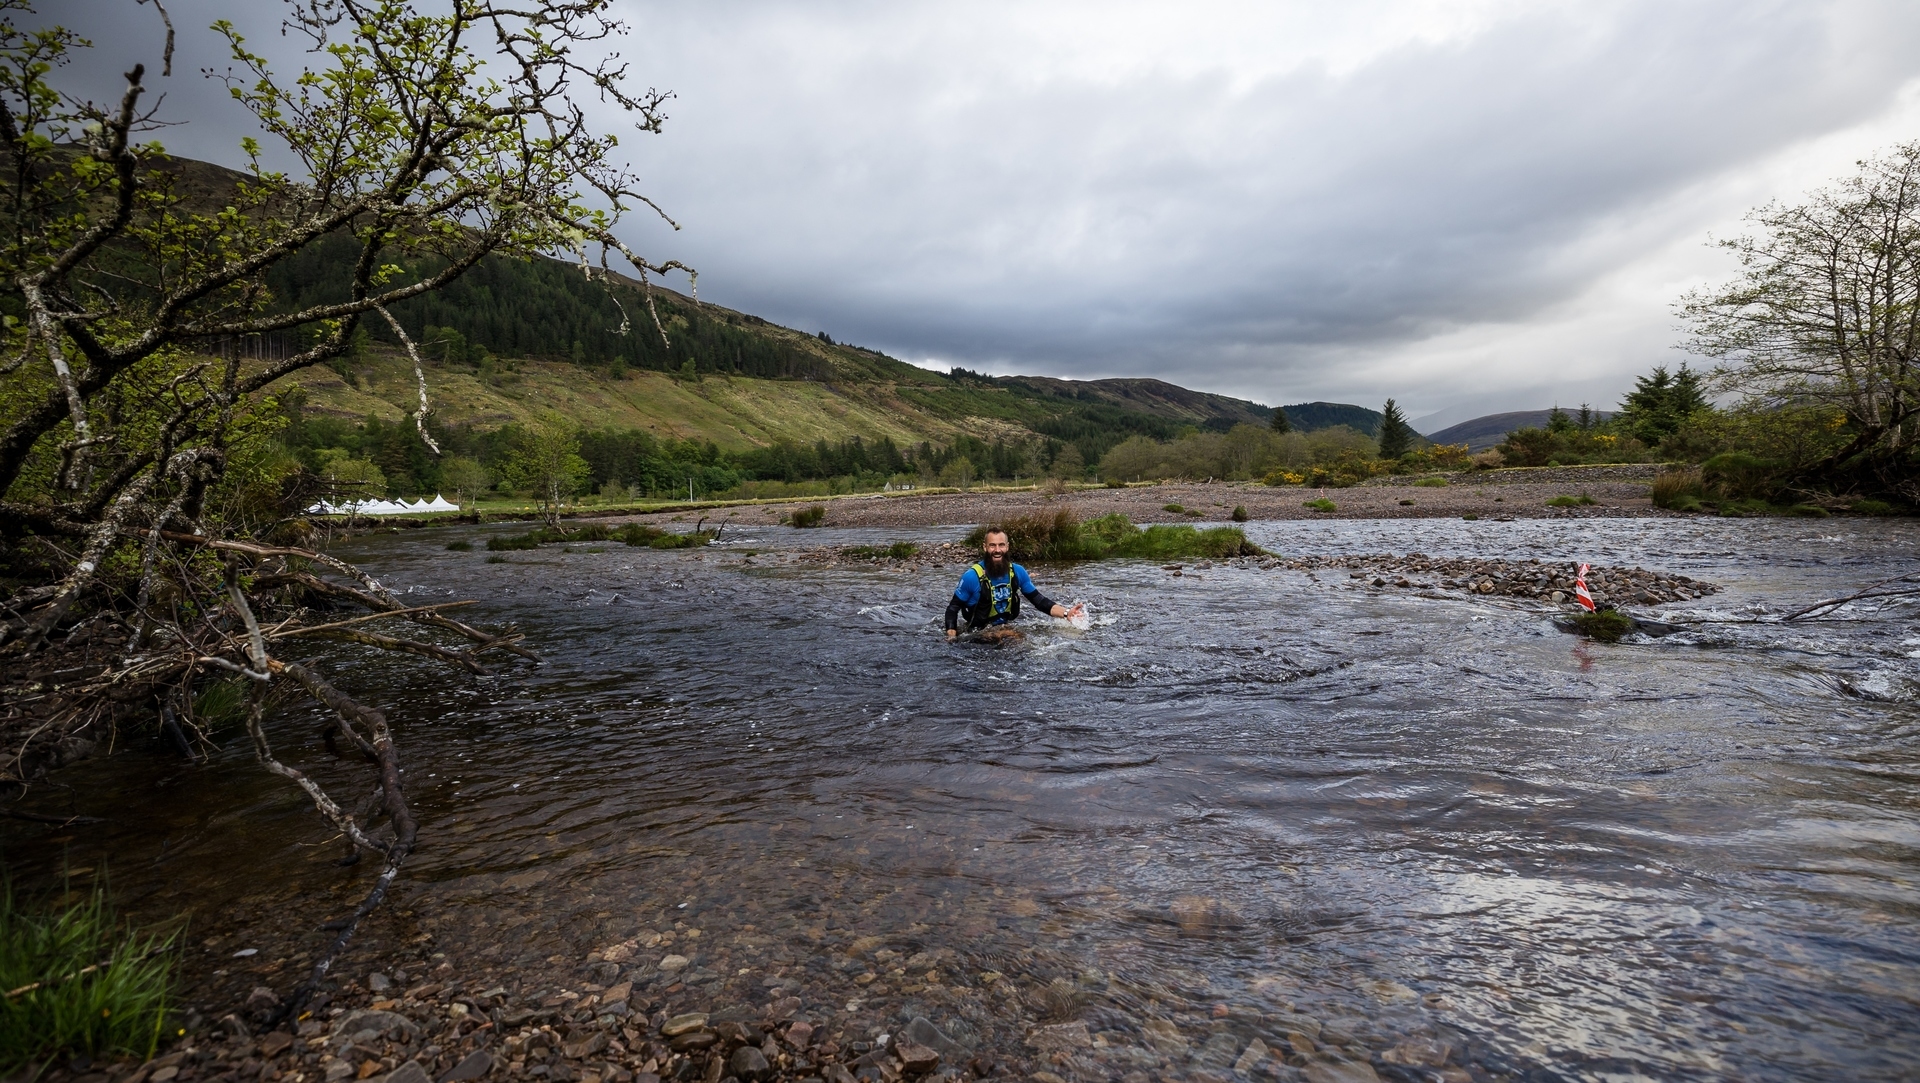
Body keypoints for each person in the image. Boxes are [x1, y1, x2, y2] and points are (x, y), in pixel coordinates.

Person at [945, 528, 1084, 638]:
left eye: (1001, 545)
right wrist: (951, 637)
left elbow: (1039, 601)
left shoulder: (1017, 572)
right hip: (976, 635)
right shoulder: (972, 576)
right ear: (984, 547)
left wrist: (1067, 613)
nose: (997, 550)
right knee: (1012, 637)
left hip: (1003, 629)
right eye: (992, 545)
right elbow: (952, 609)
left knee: (1018, 641)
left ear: (1007, 547)